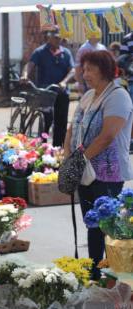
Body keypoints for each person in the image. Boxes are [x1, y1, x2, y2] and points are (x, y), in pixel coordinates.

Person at [64, 50, 133, 280]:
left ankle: (109, 273)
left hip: (107, 173)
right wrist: (68, 157)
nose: (85, 74)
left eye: (90, 69)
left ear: (104, 70)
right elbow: (72, 128)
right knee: (91, 224)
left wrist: (79, 159)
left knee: (106, 227)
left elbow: (108, 136)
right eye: (84, 69)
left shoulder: (118, 96)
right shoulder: (88, 96)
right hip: (85, 171)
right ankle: (92, 272)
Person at [21, 27, 75, 147]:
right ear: (49, 37)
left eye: (59, 38)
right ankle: (42, 148)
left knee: (61, 123)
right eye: (55, 37)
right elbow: (30, 64)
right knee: (46, 120)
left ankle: (58, 148)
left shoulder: (66, 53)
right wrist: (25, 75)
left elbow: (72, 70)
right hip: (45, 93)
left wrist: (64, 82)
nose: (58, 40)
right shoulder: (40, 52)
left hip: (61, 92)